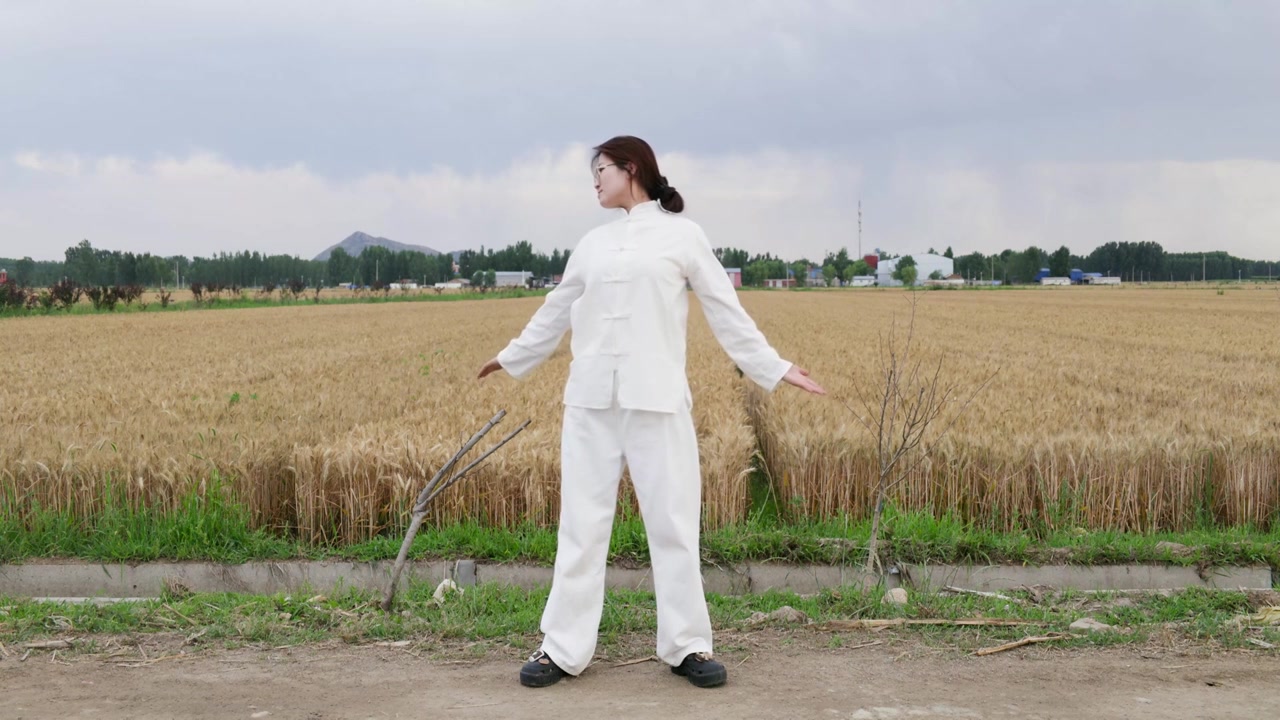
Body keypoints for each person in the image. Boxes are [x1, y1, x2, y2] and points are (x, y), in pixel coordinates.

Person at [478, 135, 825, 689]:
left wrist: (774, 366)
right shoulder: (591, 244)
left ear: (630, 168)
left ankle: (687, 646)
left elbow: (724, 309)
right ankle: (561, 649)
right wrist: (511, 356)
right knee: (581, 529)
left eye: (601, 170)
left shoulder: (683, 237)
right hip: (590, 404)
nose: (594, 181)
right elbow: (555, 310)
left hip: (657, 403)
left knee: (673, 526)